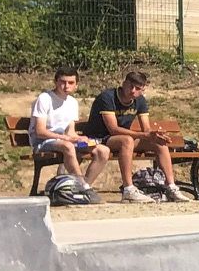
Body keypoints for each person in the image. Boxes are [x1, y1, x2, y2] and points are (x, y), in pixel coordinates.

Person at [85, 69, 186, 203]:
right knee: (127, 141)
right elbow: (113, 129)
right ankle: (128, 189)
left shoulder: (140, 101)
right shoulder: (107, 97)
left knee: (158, 142)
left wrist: (153, 135)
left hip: (122, 140)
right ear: (124, 83)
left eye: (137, 88)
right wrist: (143, 135)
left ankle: (171, 187)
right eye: (130, 86)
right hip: (100, 138)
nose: (133, 91)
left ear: (143, 89)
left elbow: (146, 129)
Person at [29, 67, 107, 195]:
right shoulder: (44, 98)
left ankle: (82, 188)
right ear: (56, 82)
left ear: (76, 85)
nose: (66, 86)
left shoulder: (72, 103)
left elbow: (70, 132)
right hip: (44, 143)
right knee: (68, 146)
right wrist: (67, 139)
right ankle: (83, 186)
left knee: (102, 150)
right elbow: (40, 131)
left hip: (65, 141)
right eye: (62, 82)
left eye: (71, 83)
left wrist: (80, 139)